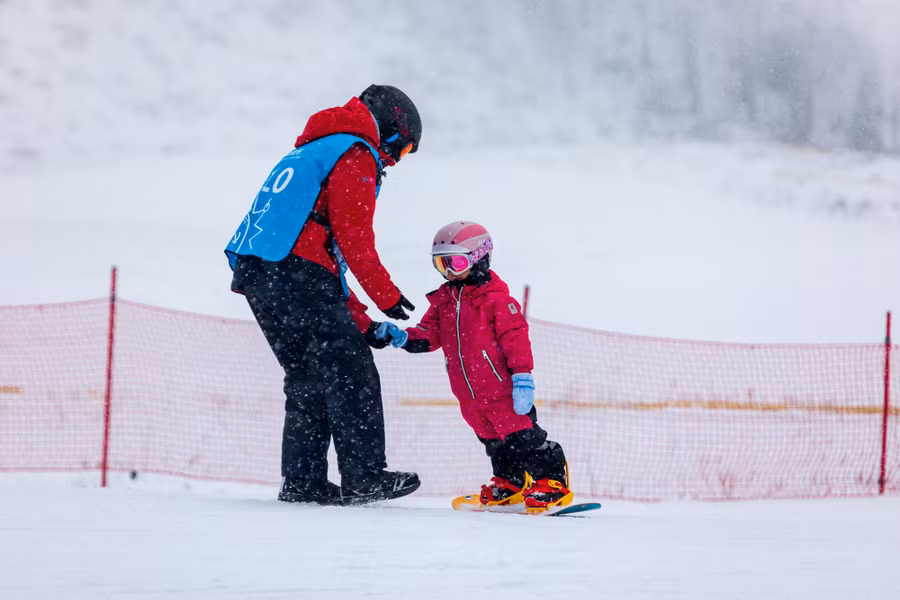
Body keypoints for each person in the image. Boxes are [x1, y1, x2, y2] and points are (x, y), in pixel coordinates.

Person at [224, 85, 422, 506]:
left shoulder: (310, 152)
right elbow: (352, 239)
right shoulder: (357, 151)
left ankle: (303, 481)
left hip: (258, 271)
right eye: (402, 150)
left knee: (308, 378)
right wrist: (386, 295)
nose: (394, 160)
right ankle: (365, 476)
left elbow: (325, 262)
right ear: (391, 127)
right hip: (295, 271)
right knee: (352, 371)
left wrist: (365, 323)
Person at [375, 222, 573, 511]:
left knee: (522, 437)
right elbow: (429, 337)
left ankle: (552, 481)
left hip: (502, 391)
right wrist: (403, 337)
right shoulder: (444, 302)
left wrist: (522, 378)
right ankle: (511, 483)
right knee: (493, 441)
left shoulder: (496, 301)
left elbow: (516, 340)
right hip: (470, 395)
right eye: (441, 265)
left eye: (455, 262)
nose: (449, 272)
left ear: (480, 258)